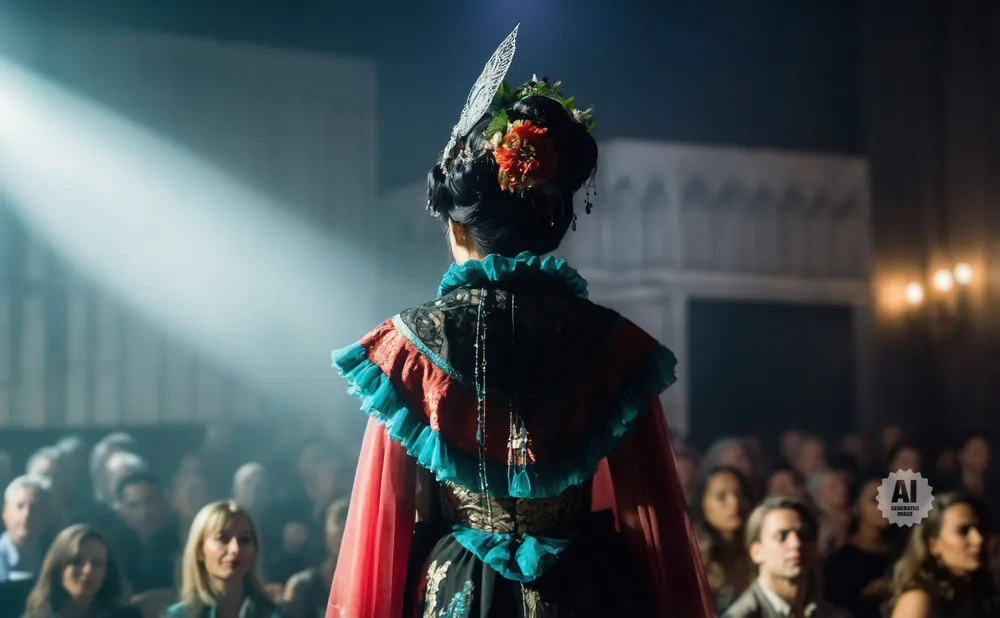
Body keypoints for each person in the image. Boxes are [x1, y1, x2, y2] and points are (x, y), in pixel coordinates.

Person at [327, 25, 711, 618]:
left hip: (456, 586)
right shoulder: (611, 344)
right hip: (585, 587)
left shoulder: (409, 346)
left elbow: (387, 519)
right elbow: (649, 510)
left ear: (458, 229)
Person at [723, 496, 849, 618]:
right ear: (756, 552)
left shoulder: (835, 611)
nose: (796, 543)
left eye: (804, 535)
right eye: (782, 536)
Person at [165, 500, 280, 618]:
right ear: (200, 550)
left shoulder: (273, 615)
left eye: (245, 539)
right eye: (223, 538)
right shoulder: (177, 616)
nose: (235, 549)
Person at [23, 524, 140, 618]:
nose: (88, 570)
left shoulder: (127, 615)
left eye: (97, 564)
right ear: (58, 567)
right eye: (77, 562)